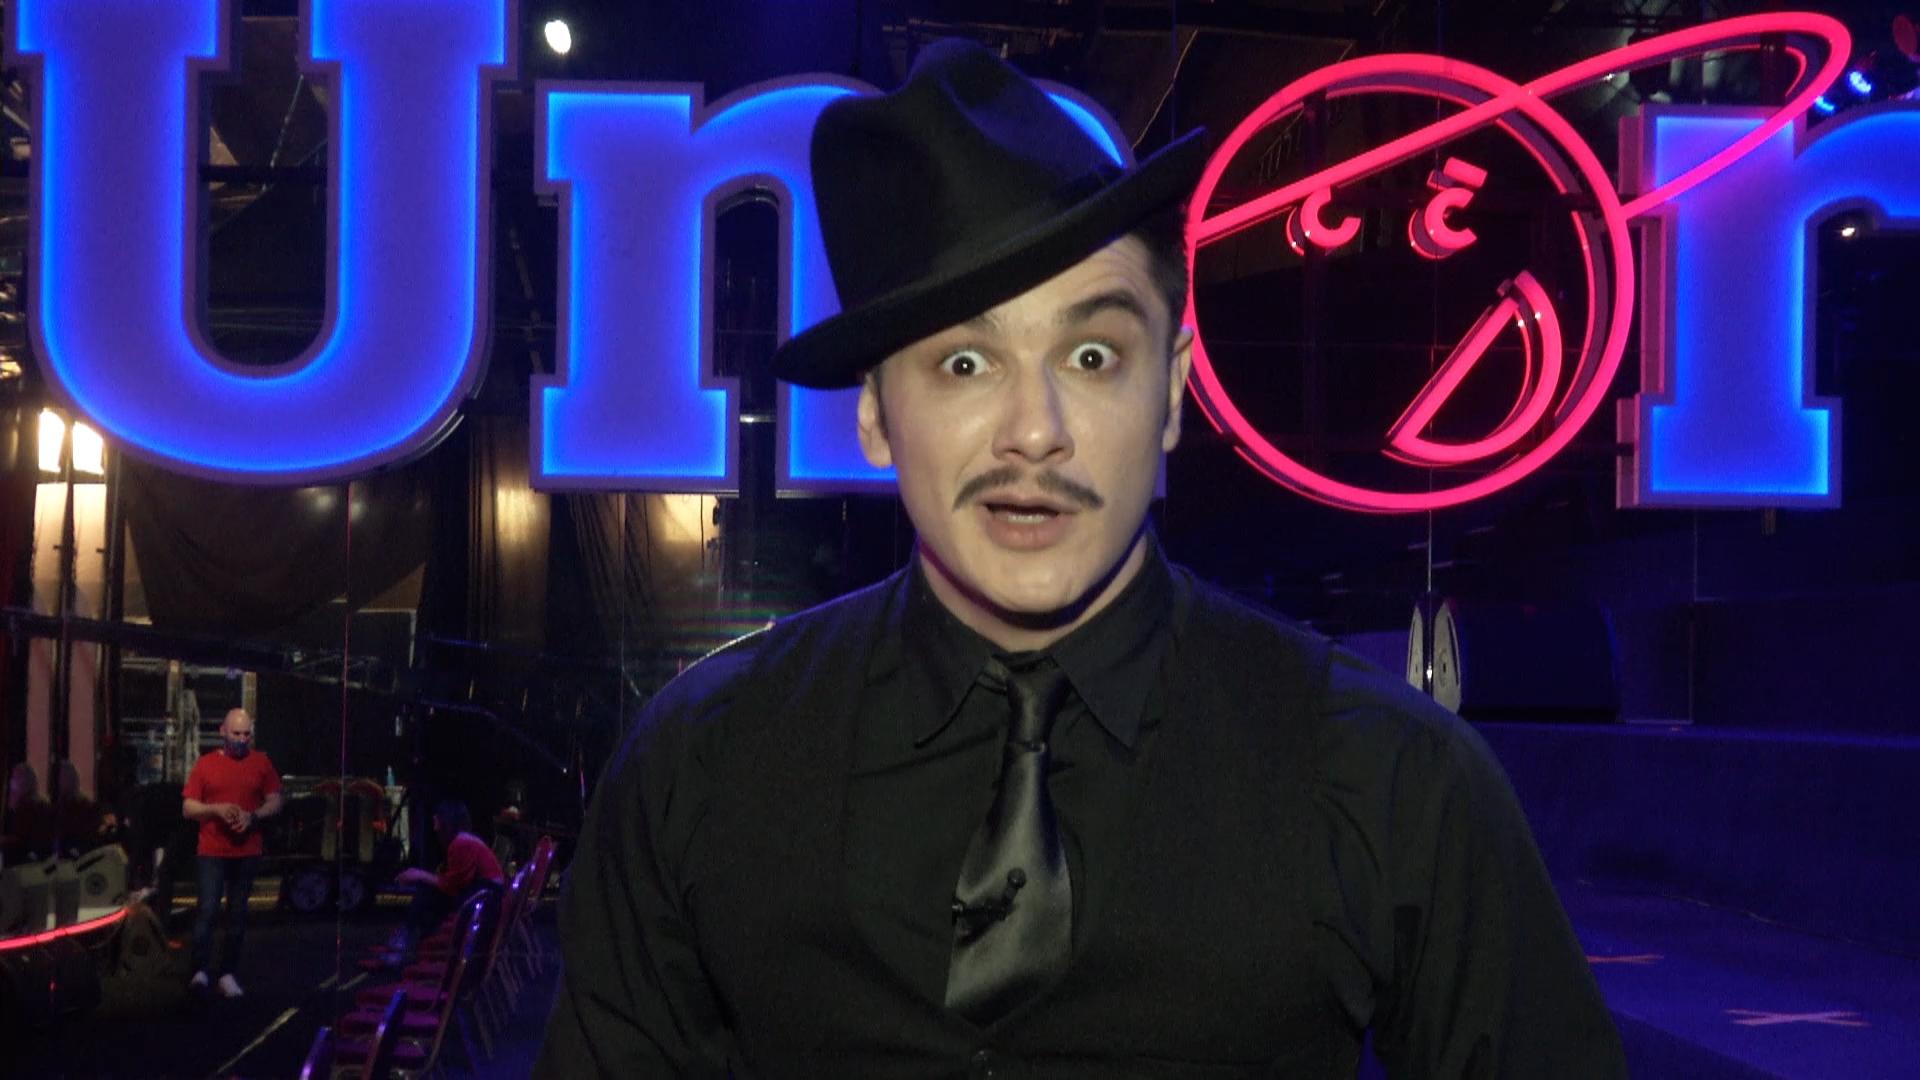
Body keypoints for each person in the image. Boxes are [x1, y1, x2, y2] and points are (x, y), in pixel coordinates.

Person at [538, 40, 1627, 1076]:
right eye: (964, 363)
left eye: (1094, 355)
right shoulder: (704, 766)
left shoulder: (1392, 778)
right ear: (874, 415)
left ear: (1174, 393)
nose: (1034, 431)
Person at [181, 708, 283, 998]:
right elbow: (188, 807)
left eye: (246, 734)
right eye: (236, 733)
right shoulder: (206, 764)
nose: (241, 739)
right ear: (223, 732)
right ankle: (200, 970)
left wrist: (253, 816)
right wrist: (216, 809)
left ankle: (227, 972)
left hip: (247, 850)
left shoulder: (261, 763)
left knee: (237, 914)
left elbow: (276, 800)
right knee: (208, 910)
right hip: (212, 850)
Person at [383, 798, 505, 967]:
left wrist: (420, 875)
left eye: (437, 822)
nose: (434, 828)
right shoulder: (464, 841)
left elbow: (452, 885)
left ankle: (408, 942)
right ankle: (416, 942)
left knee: (427, 896)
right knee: (429, 896)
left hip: (485, 896)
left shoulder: (461, 843)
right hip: (484, 893)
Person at [2, 762, 54, 865]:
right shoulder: (41, 802)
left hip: (27, 860)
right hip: (42, 859)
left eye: (15, 778)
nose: (11, 782)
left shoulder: (27, 804)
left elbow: (20, 840)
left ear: (24, 781)